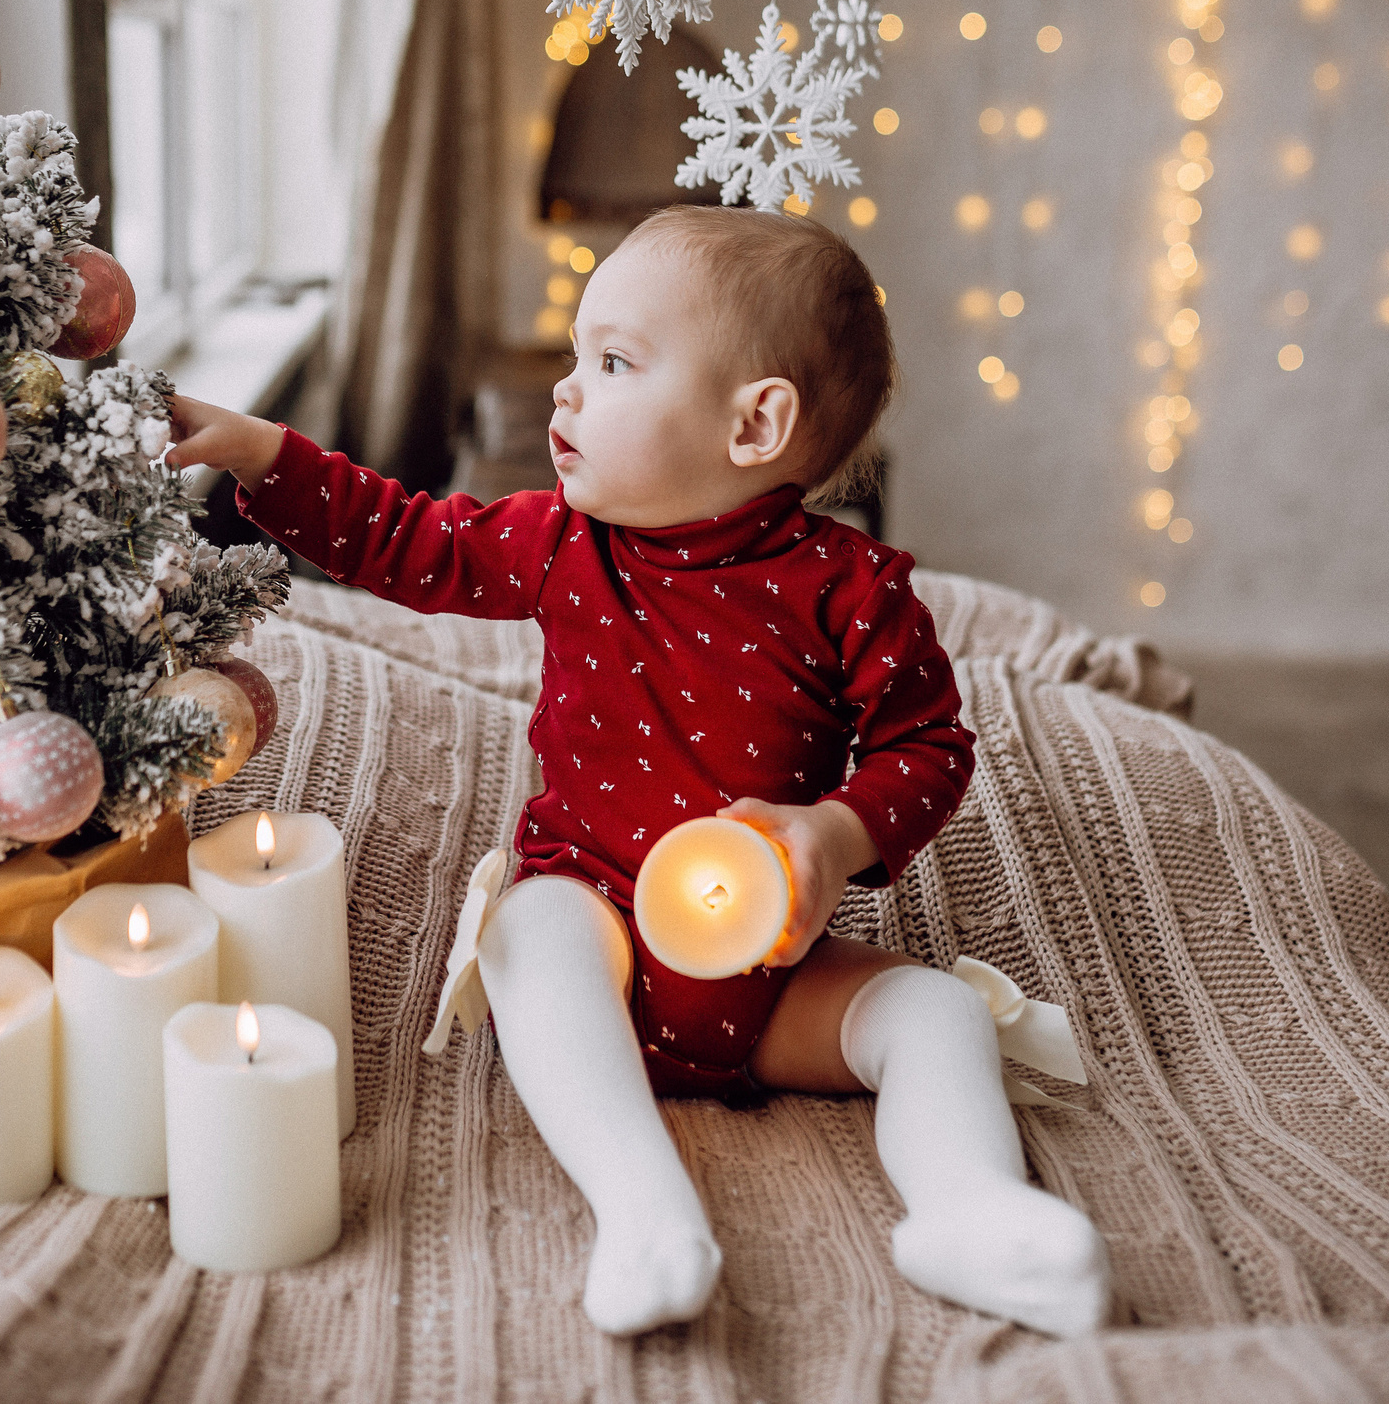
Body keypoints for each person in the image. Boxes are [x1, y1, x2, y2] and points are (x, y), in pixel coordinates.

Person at [166, 205, 1109, 1339]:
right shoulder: (563, 543)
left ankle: (969, 1208)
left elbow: (930, 749)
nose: (565, 391)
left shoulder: (850, 591)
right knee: (527, 930)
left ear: (755, 423)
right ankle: (645, 1208)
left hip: (767, 973)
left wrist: (836, 836)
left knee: (940, 1016)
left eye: (610, 363)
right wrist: (267, 454)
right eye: (576, 358)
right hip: (601, 929)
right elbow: (406, 542)